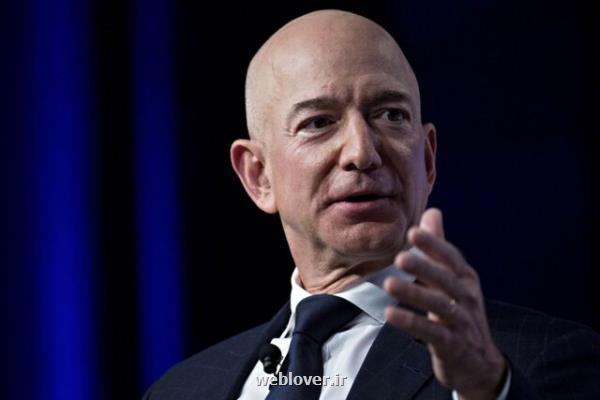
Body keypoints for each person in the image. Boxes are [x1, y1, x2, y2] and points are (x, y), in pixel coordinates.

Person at [143, 9, 600, 400]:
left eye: (391, 115)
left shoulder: (535, 362)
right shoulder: (181, 390)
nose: (362, 152)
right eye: (318, 122)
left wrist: (486, 391)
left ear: (427, 160)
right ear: (258, 176)